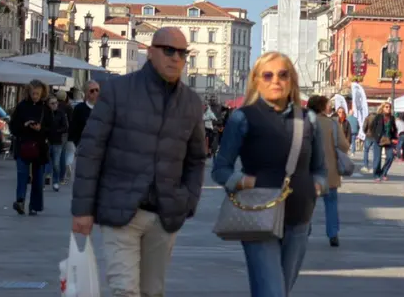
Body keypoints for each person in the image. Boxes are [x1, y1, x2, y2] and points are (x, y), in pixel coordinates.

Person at [71, 27, 208, 296]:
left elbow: (196, 158)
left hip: (165, 212)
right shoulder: (117, 91)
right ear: (151, 52)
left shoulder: (191, 103)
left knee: (152, 292)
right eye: (169, 50)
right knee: (125, 290)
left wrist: (187, 200)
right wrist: (82, 209)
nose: (176, 58)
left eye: (183, 53)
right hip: (120, 209)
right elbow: (90, 150)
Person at [212, 51, 327, 297]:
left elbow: (320, 168)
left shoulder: (309, 120)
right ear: (256, 80)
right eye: (268, 75)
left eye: (283, 75)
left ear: (292, 80)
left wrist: (317, 186)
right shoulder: (243, 118)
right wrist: (241, 181)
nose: (276, 80)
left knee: (281, 290)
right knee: (272, 292)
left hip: (299, 217)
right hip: (258, 216)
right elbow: (220, 168)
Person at [308, 97, 349, 248]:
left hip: (310, 170)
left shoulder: (307, 122)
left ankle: (305, 229)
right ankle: (333, 234)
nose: (330, 107)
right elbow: (344, 145)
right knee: (331, 203)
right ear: (322, 107)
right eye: (328, 105)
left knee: (308, 204)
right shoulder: (333, 123)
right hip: (330, 170)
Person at [9, 79, 53, 216]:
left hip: (39, 148)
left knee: (38, 178)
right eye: (33, 93)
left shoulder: (45, 108)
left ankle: (34, 205)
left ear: (42, 93)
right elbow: (13, 127)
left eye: (38, 93)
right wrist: (25, 125)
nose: (35, 96)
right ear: (28, 92)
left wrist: (40, 128)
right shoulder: (22, 106)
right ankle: (20, 201)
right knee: (22, 175)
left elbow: (51, 129)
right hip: (23, 145)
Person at [68, 80, 100, 179]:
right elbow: (73, 128)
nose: (95, 93)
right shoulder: (80, 109)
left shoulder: (104, 107)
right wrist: (77, 144)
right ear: (86, 93)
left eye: (97, 90)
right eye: (92, 91)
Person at [370, 102, 398, 181]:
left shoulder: (392, 118)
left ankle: (383, 173)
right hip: (379, 139)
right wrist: (375, 136)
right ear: (383, 108)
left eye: (389, 107)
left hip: (388, 140)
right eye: (386, 107)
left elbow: (394, 129)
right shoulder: (378, 117)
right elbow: (372, 127)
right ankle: (376, 175)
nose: (388, 108)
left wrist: (394, 137)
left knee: (390, 156)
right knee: (377, 159)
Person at [47, 95, 69, 192]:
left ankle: (56, 182)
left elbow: (65, 127)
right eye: (52, 103)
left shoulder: (61, 113)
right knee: (45, 162)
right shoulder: (46, 114)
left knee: (56, 163)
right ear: (48, 105)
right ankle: (43, 180)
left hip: (57, 142)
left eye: (56, 103)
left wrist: (57, 131)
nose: (55, 105)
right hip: (47, 141)